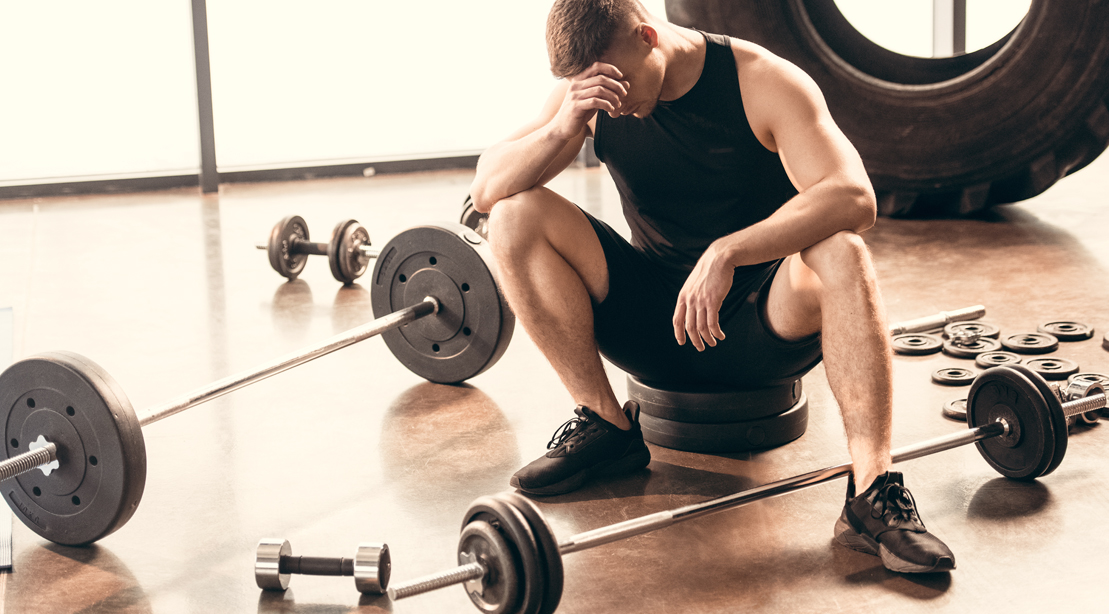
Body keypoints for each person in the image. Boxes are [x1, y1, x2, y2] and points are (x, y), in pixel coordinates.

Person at [468, 0, 955, 573]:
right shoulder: (595, 95)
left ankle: (873, 492)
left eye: (618, 80)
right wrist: (564, 126)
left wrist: (730, 250)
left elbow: (855, 196)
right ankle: (606, 424)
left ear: (647, 36)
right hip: (653, 319)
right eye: (595, 88)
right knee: (513, 215)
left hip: (760, 318)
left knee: (842, 248)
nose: (613, 99)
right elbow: (486, 189)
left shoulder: (760, 81)